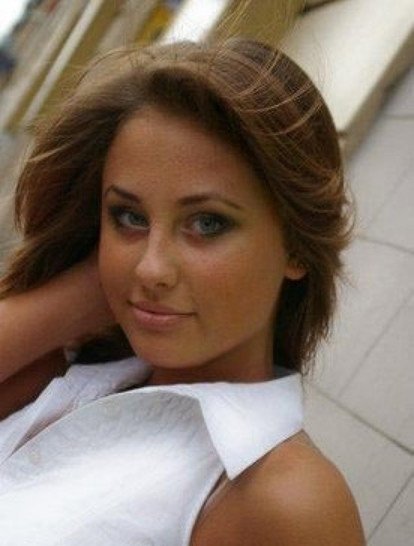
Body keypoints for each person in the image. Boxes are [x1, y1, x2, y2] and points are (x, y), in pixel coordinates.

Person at [0, 37, 365, 545]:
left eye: (208, 223)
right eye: (129, 216)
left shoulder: (283, 501)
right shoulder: (57, 375)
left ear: (297, 247)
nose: (151, 267)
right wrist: (86, 291)